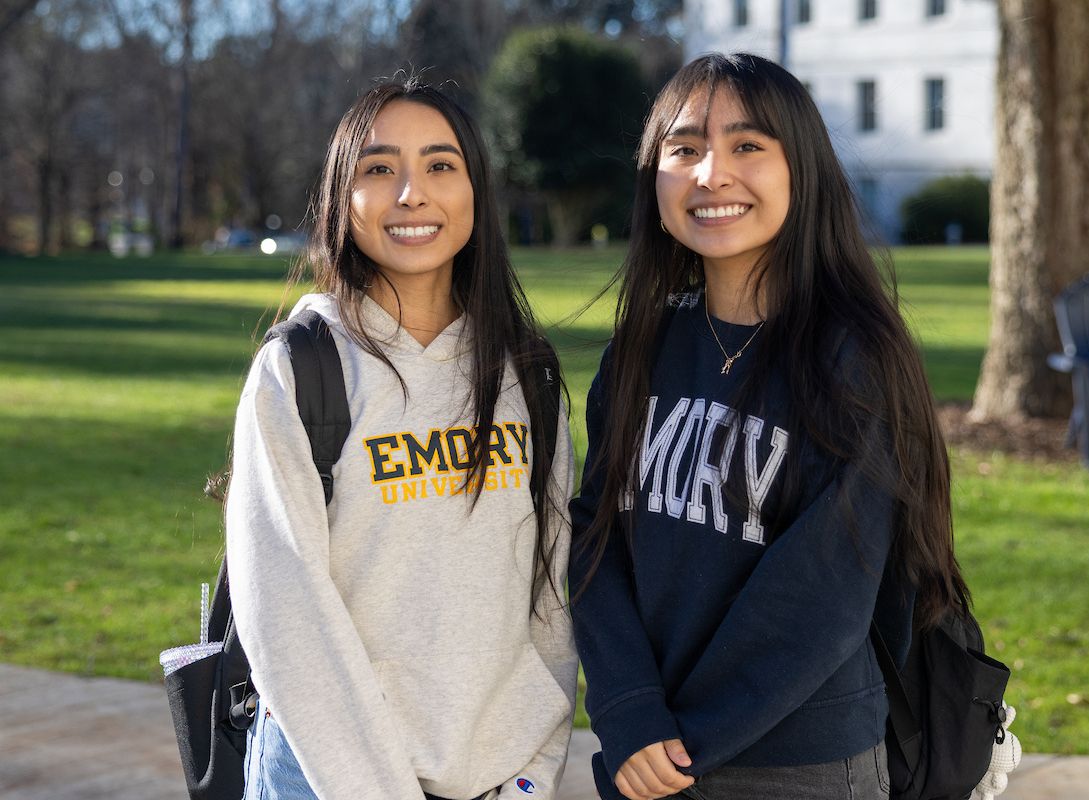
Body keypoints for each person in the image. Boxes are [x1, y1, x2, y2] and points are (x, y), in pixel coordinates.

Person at [568, 53, 969, 800]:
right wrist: (626, 712)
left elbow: (824, 591)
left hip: (798, 764)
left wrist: (678, 739)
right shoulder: (643, 346)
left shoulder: (853, 356)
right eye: (683, 149)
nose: (711, 173)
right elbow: (595, 538)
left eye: (747, 146)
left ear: (801, 169)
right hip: (649, 756)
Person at [224, 77, 577, 800]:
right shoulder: (300, 370)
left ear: (476, 192)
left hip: (496, 781)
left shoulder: (524, 373)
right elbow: (284, 618)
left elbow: (549, 598)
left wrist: (533, 770)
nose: (411, 193)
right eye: (378, 169)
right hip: (324, 778)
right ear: (340, 199)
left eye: (441, 166)